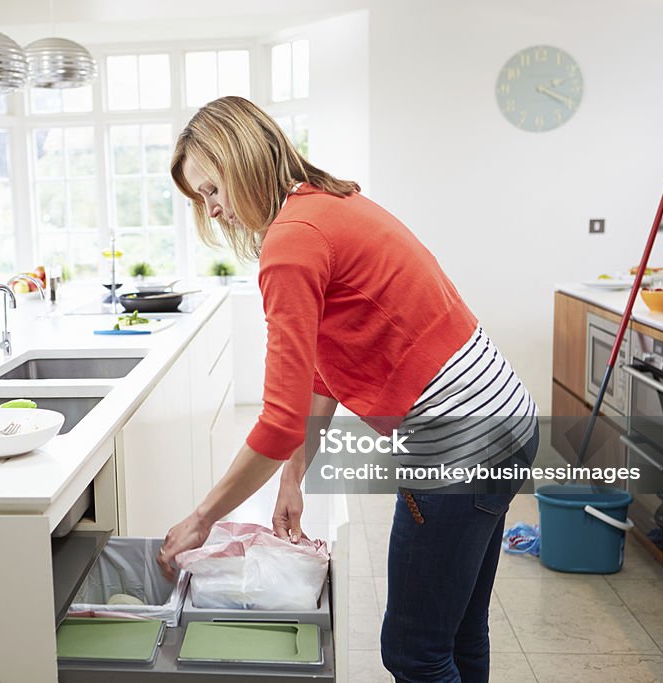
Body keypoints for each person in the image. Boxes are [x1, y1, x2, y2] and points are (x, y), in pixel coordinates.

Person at [156, 95, 539, 683]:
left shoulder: (291, 241)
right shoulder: (328, 204)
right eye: (201, 199)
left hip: (457, 445)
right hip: (507, 417)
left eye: (212, 189)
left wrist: (202, 518)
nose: (214, 210)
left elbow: (278, 421)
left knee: (413, 652)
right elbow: (318, 369)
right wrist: (292, 477)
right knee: (458, 630)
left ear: (244, 159)